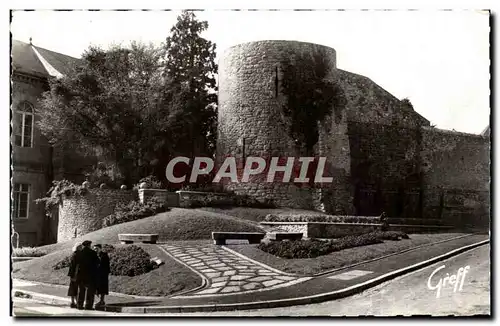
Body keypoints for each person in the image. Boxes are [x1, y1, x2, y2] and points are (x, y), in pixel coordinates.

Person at [75, 240, 99, 310]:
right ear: (89, 245)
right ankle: (88, 306)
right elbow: (97, 263)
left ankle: (79, 305)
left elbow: (77, 264)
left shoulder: (80, 253)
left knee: (81, 290)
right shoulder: (93, 253)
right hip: (90, 275)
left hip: (81, 274)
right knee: (90, 291)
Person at [94, 244, 110, 310]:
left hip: (103, 274)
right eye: (94, 248)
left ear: (100, 248)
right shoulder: (94, 255)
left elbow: (106, 265)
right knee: (97, 288)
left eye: (96, 248)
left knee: (103, 287)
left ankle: (102, 300)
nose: (95, 250)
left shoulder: (104, 255)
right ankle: (99, 301)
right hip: (96, 274)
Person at [67, 242, 82, 308]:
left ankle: (73, 302)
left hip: (74, 273)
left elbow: (73, 266)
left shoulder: (75, 254)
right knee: (75, 288)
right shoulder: (78, 255)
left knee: (73, 288)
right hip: (76, 274)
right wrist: (75, 275)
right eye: (80, 247)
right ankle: (75, 302)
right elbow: (76, 266)